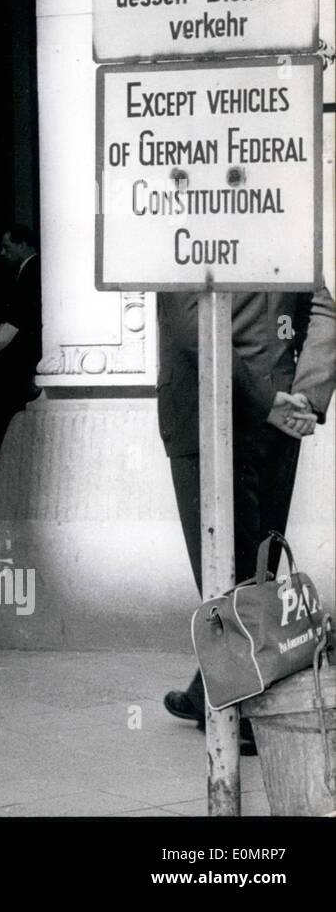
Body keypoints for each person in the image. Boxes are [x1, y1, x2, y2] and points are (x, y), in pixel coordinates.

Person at [157, 286, 335, 755]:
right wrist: (302, 396)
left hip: (208, 413)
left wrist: (286, 401)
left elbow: (191, 326)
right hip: (271, 415)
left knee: (229, 575)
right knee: (254, 568)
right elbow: (322, 307)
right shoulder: (283, 220)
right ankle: (212, 692)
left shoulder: (179, 224)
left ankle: (241, 715)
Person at [0, 225, 42, 458]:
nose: (2, 253)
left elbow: (15, 320)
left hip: (24, 363)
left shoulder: (32, 270)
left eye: (7, 247)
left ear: (23, 245)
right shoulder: (20, 272)